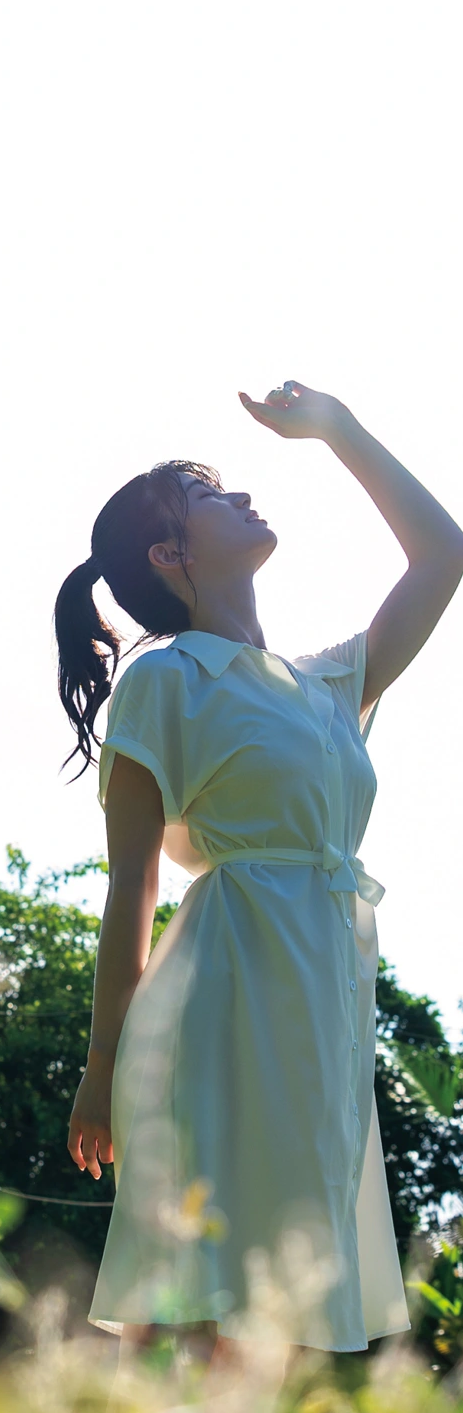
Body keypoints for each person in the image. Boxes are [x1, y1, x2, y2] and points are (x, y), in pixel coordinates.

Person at [55, 382, 463, 1360]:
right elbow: (132, 888)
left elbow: (445, 555)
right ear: (170, 556)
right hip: (222, 992)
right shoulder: (165, 678)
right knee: (206, 1288)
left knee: (294, 1292)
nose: (237, 498)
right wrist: (101, 1067)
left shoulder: (326, 684)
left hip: (322, 991)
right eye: (208, 496)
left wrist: (337, 429)